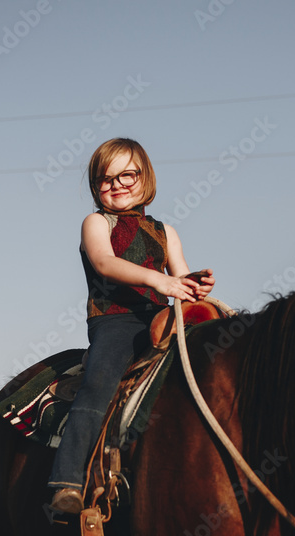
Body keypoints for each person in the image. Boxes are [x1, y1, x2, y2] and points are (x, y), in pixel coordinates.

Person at [48, 138, 215, 514]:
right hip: (116, 319)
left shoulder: (166, 231)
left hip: (162, 318)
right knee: (99, 382)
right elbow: (105, 263)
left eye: (127, 175)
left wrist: (193, 285)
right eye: (105, 179)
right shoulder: (96, 223)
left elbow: (180, 275)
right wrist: (161, 282)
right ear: (95, 187)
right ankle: (67, 480)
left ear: (145, 178)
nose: (117, 184)